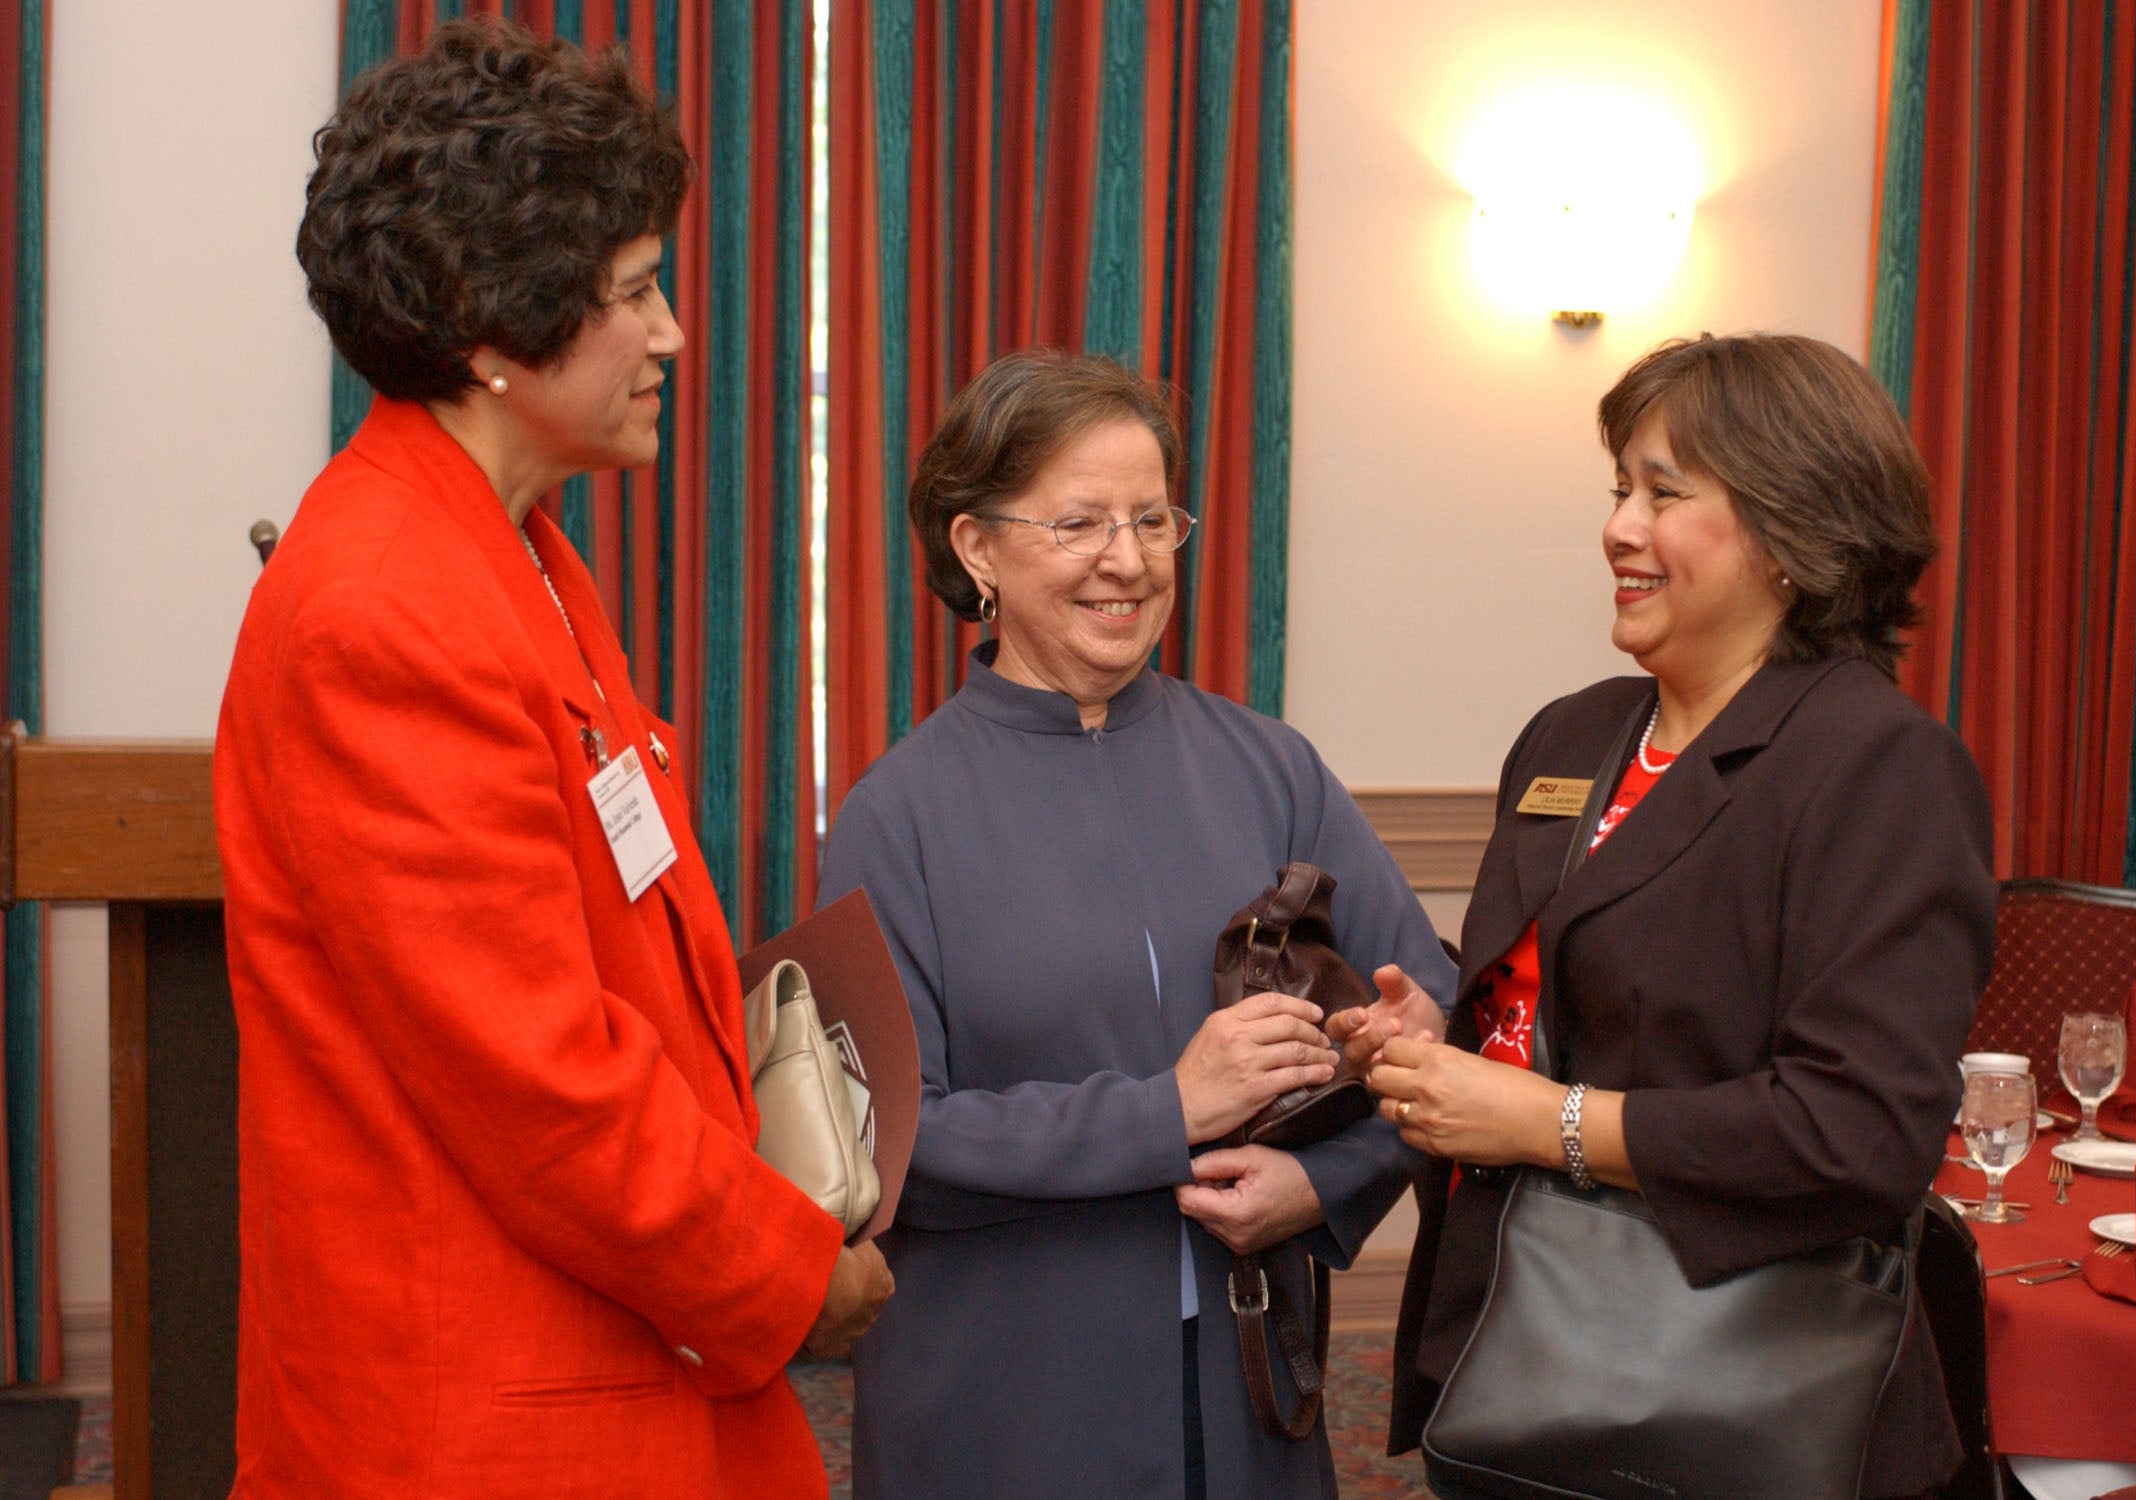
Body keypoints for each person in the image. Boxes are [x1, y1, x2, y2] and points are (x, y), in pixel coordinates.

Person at [214, 21, 887, 1497]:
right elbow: (540, 1087)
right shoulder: (385, 604)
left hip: (603, 1344)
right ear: (488, 326)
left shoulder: (506, 550)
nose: (670, 335)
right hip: (491, 1403)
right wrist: (786, 1273)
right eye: (635, 293)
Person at [1332, 333, 1997, 1499]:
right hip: (1512, 1354)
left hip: (1736, 1402)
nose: (1619, 529)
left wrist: (1546, 1123)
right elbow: (1575, 1010)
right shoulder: (1571, 735)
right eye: (1618, 489)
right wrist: (1440, 1046)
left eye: (1664, 493)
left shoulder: (1875, 766)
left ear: (1792, 531)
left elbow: (1858, 1135)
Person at [816, 349, 1456, 1500]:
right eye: (1078, 524)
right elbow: (884, 1146)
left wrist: (1331, 1182)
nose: (1127, 560)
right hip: (1005, 1405)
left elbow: (1432, 1012)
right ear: (976, 550)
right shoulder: (895, 816)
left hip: (1249, 1386)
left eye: (1152, 520)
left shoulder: (1271, 769)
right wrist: (1165, 1112)